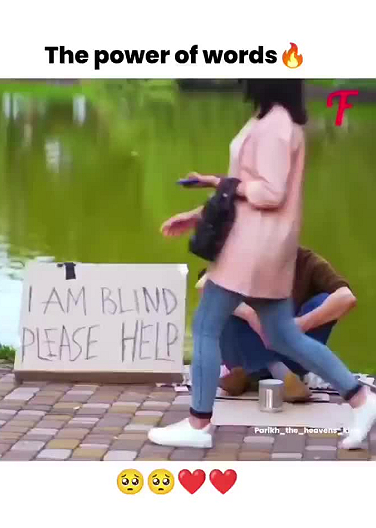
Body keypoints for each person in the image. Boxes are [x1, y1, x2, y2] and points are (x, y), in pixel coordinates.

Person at [148, 80, 376, 451]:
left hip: (251, 247)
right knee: (284, 335)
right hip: (261, 244)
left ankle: (199, 424)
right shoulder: (272, 118)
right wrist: (202, 209)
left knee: (205, 326)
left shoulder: (277, 125)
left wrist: (225, 185)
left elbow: (269, 193)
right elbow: (247, 187)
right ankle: (362, 400)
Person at [196, 247, 357, 400]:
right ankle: (277, 371)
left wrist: (301, 324)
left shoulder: (307, 261)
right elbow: (204, 285)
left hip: (291, 351)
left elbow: (346, 297)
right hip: (243, 346)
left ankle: (247, 373)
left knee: (324, 301)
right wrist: (250, 315)